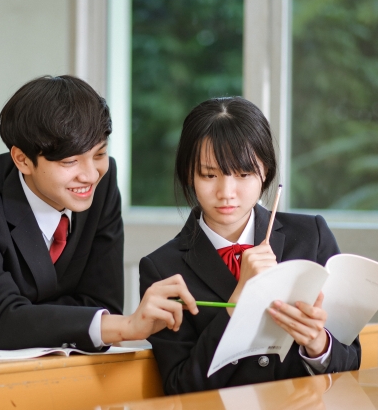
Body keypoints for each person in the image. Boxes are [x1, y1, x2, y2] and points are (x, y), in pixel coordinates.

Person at [0, 75, 196, 350]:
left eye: (99, 154)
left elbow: (101, 302)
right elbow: (5, 318)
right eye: (70, 162)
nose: (90, 174)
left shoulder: (102, 184)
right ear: (22, 160)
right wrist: (126, 327)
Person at [139, 96, 361, 395]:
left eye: (243, 174)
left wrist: (318, 345)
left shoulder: (311, 236)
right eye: (209, 175)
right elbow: (180, 386)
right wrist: (239, 303)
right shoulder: (162, 269)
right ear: (189, 175)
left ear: (266, 172)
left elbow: (353, 358)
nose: (226, 192)